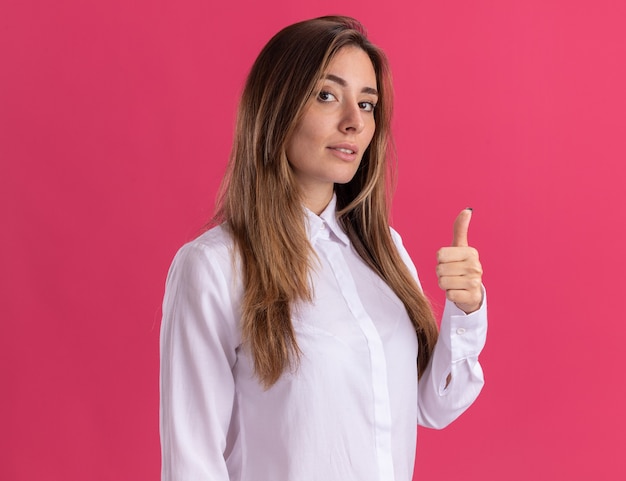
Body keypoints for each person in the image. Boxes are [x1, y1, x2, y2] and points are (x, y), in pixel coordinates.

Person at [160, 15, 487, 481]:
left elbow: (435, 404)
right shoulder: (215, 267)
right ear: (277, 107)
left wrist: (466, 310)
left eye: (368, 104)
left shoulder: (384, 251)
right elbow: (192, 463)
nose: (354, 122)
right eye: (327, 95)